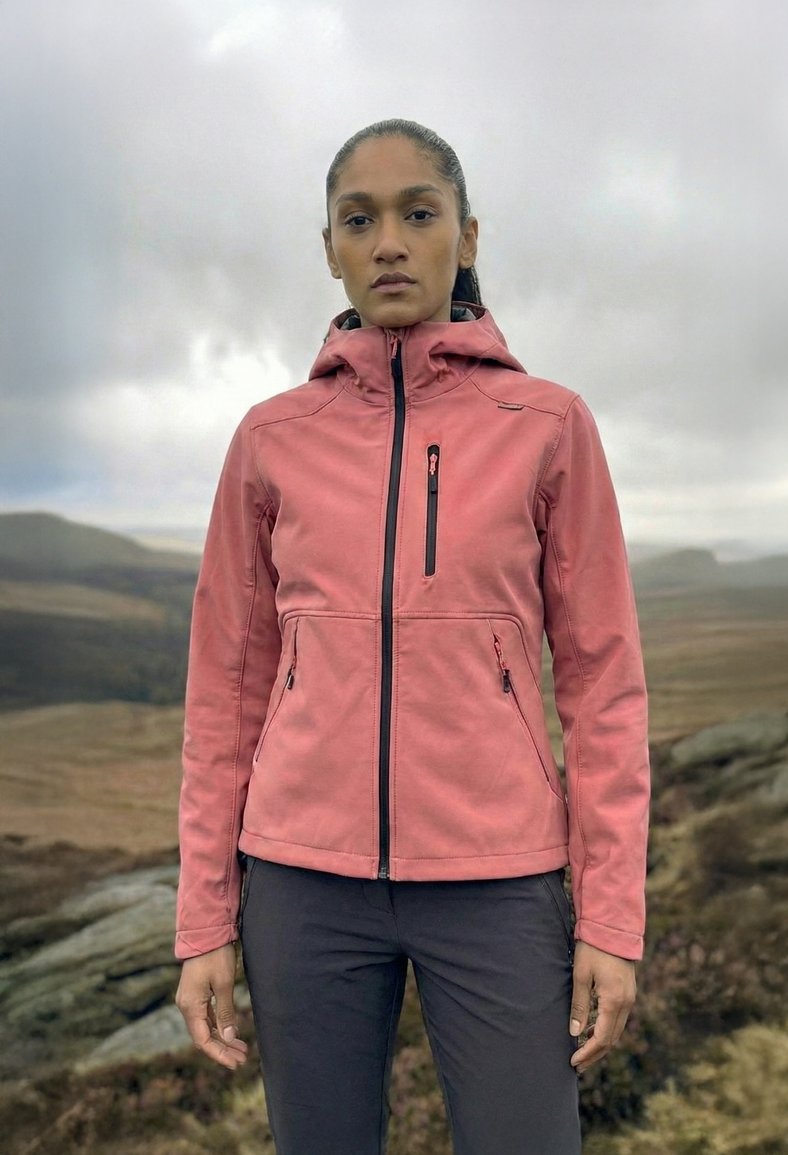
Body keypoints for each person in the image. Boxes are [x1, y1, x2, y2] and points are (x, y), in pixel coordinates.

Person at [174, 118, 651, 1155]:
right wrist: (204, 916)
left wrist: (610, 919)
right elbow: (223, 691)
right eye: (360, 219)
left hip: (498, 880)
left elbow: (603, 686)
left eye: (417, 213)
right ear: (330, 249)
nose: (388, 240)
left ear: (465, 237)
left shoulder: (547, 424)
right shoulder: (270, 439)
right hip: (300, 887)